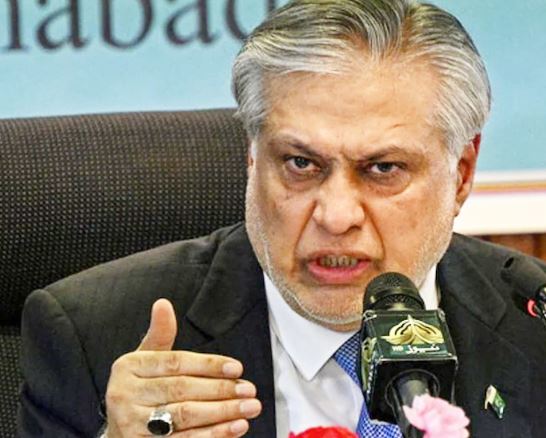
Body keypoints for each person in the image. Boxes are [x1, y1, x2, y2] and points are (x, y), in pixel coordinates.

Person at [18, 0, 546, 437]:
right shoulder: (92, 339)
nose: (336, 217)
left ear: (461, 175)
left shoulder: (534, 328)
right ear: (253, 159)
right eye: (300, 164)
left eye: (383, 168)